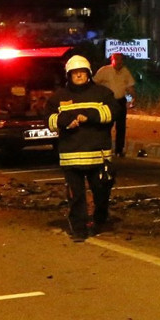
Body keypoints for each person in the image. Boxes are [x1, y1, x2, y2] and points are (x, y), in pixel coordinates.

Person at [45, 55, 118, 242]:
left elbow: (113, 112)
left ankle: (99, 221)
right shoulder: (58, 97)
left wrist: (89, 115)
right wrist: (64, 120)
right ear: (69, 75)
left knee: (101, 193)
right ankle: (79, 229)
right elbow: (49, 120)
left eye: (82, 72)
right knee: (76, 197)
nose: (79, 76)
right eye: (75, 73)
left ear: (89, 74)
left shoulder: (102, 93)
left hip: (98, 155)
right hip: (71, 156)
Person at [94, 53, 136, 157]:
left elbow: (130, 87)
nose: (118, 62)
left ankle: (119, 150)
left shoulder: (125, 72)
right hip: (108, 102)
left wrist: (134, 98)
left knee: (121, 127)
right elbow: (94, 83)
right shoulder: (104, 71)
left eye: (120, 60)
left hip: (120, 101)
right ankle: (105, 148)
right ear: (112, 60)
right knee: (107, 126)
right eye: (116, 59)